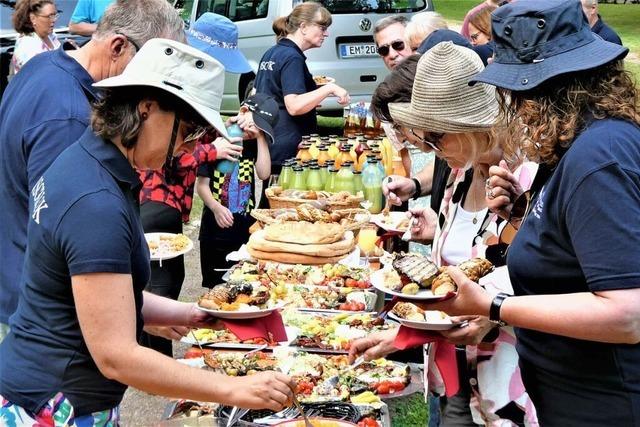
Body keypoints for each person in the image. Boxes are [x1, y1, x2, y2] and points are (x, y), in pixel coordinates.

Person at [0, 39, 294, 425]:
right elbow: (116, 355)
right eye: (189, 131)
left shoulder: (87, 160)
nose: (187, 148)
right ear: (146, 108)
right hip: (52, 404)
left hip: (58, 394)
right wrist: (236, 389)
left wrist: (193, 314)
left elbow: (104, 296)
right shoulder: (95, 201)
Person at [427, 0, 639, 424]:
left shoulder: (599, 156)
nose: (513, 105)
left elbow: (627, 312)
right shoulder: (579, 143)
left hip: (606, 405)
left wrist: (493, 307)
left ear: (541, 89)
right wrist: (523, 218)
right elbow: (576, 256)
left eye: (513, 90)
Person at [356, 42, 539, 426]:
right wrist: (403, 337)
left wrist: (495, 316)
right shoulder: (459, 174)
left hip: (514, 389)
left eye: (435, 138)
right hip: (457, 378)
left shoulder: (532, 179)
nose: (428, 149)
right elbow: (452, 282)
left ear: (471, 126)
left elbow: (553, 281)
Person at [0, 0, 185, 342]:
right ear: (118, 47)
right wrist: (132, 314)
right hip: (51, 313)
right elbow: (64, 233)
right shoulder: (71, 117)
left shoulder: (43, 66)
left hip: (20, 280)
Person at [137, 12, 250, 356]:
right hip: (155, 200)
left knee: (166, 279)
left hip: (166, 202)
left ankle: (154, 357)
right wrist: (212, 149)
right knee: (161, 283)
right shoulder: (175, 87)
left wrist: (223, 128)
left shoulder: (191, 82)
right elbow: (170, 154)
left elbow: (192, 134)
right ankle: (154, 360)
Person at [253, 2, 350, 176]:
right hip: (290, 150)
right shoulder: (293, 58)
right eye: (322, 27)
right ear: (303, 27)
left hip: (272, 144)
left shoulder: (272, 53)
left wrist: (312, 96)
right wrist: (329, 88)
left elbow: (261, 94)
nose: (326, 33)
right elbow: (294, 106)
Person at [198, 93, 277, 287]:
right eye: (254, 124)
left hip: (243, 228)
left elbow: (264, 173)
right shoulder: (219, 139)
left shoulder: (253, 144)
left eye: (261, 128)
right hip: (215, 230)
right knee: (216, 286)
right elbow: (201, 186)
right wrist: (216, 208)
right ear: (243, 111)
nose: (253, 131)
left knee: (243, 282)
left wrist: (260, 138)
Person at [10, 0, 61, 74]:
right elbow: (42, 77)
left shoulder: (50, 35)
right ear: (33, 18)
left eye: (55, 15)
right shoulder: (28, 46)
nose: (54, 20)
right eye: (49, 16)